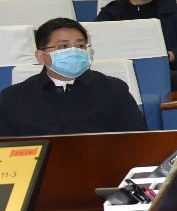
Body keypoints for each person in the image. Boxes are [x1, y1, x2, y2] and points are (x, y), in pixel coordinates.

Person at [0, 18, 148, 136]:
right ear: (41, 56)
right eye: (63, 46)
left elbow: (135, 140)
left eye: (80, 46)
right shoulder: (12, 97)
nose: (74, 52)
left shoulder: (113, 89)